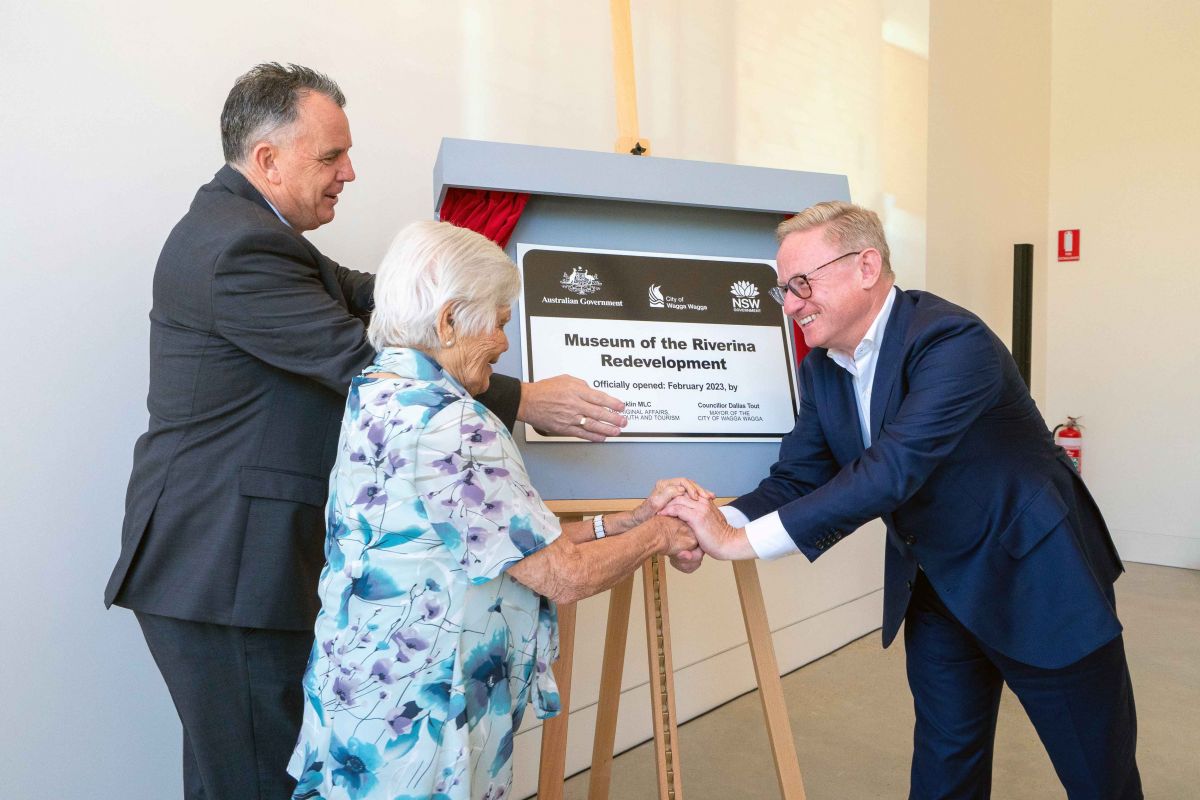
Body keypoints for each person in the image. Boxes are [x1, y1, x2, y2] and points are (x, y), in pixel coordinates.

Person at [104, 63, 629, 800]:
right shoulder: (239, 249)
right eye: (330, 157)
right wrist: (525, 396)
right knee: (255, 783)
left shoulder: (258, 232)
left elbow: (372, 297)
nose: (349, 172)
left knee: (238, 779)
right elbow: (362, 356)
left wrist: (450, 285)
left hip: (232, 568)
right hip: (223, 568)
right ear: (267, 160)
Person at [662, 201, 1141, 799]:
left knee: (1100, 779)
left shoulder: (951, 339)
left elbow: (890, 472)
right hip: (937, 588)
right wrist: (713, 521)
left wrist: (737, 542)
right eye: (783, 289)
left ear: (867, 265)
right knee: (944, 773)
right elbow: (798, 477)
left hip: (1039, 580)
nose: (790, 305)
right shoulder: (823, 370)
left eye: (803, 284)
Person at [286, 219, 701, 799]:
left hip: (363, 694)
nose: (505, 343)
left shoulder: (378, 390)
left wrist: (623, 524)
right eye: (500, 323)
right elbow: (561, 575)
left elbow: (496, 540)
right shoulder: (451, 423)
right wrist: (662, 533)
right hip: (424, 714)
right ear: (450, 319)